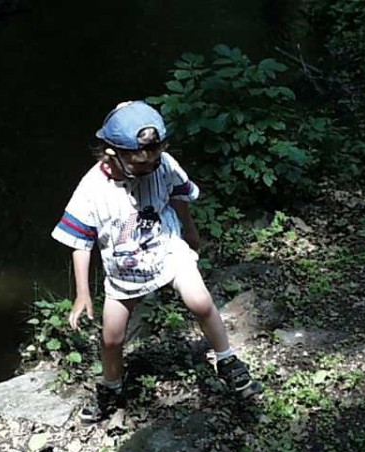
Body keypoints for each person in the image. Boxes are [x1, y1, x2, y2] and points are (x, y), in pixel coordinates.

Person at [51, 100, 261, 423]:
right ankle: (111, 387)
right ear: (111, 154)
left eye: (154, 159)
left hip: (167, 250)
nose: (148, 167)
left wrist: (190, 232)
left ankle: (227, 360)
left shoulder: (162, 165)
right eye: (139, 165)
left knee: (201, 301)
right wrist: (82, 293)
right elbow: (81, 242)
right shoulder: (92, 189)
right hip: (125, 270)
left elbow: (178, 197)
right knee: (112, 337)